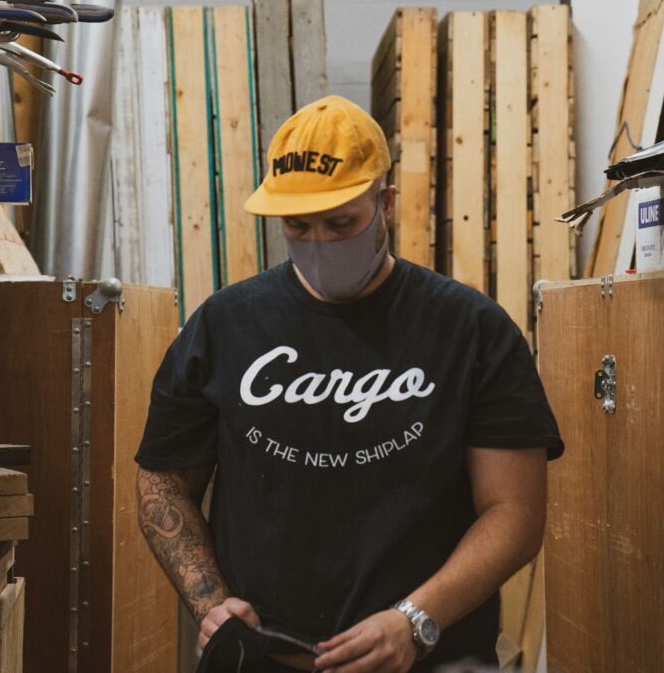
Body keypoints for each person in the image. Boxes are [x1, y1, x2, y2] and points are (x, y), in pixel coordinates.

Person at [135, 95, 563, 672]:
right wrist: (211, 604)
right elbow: (162, 483)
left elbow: (513, 511)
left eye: (342, 223)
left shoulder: (470, 330)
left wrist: (415, 619)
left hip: (432, 658)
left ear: (385, 204)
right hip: (265, 658)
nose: (319, 244)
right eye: (298, 226)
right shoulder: (224, 326)